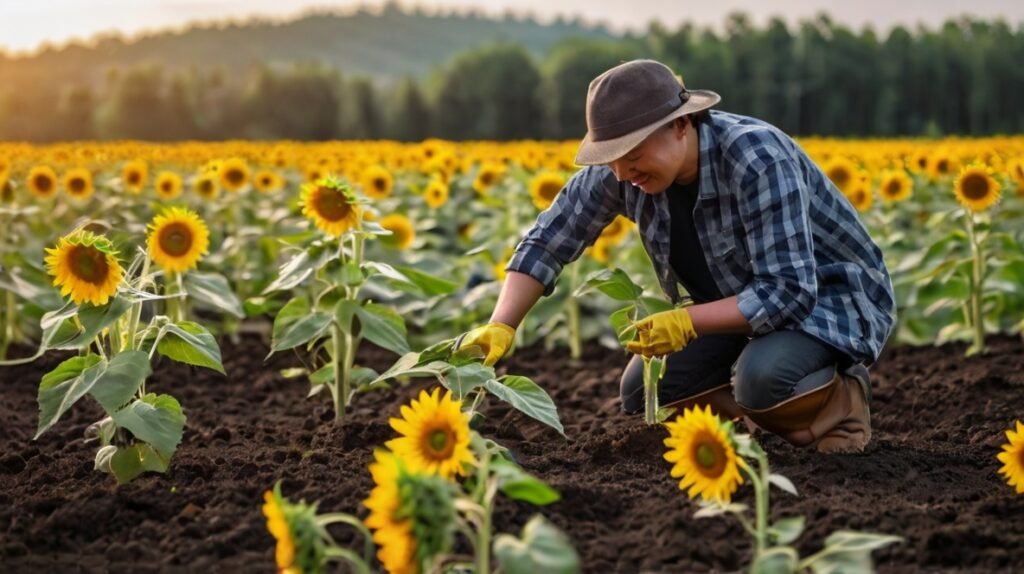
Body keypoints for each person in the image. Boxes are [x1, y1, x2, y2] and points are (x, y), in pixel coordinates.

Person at [458, 59, 895, 454]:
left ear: (682, 125)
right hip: (739, 304)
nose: (621, 174)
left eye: (632, 154)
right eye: (610, 160)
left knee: (763, 380)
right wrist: (502, 324)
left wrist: (687, 321)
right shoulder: (624, 172)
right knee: (646, 390)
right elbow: (549, 239)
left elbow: (789, 293)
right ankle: (762, 420)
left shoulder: (755, 158)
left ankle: (842, 399)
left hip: (828, 301)